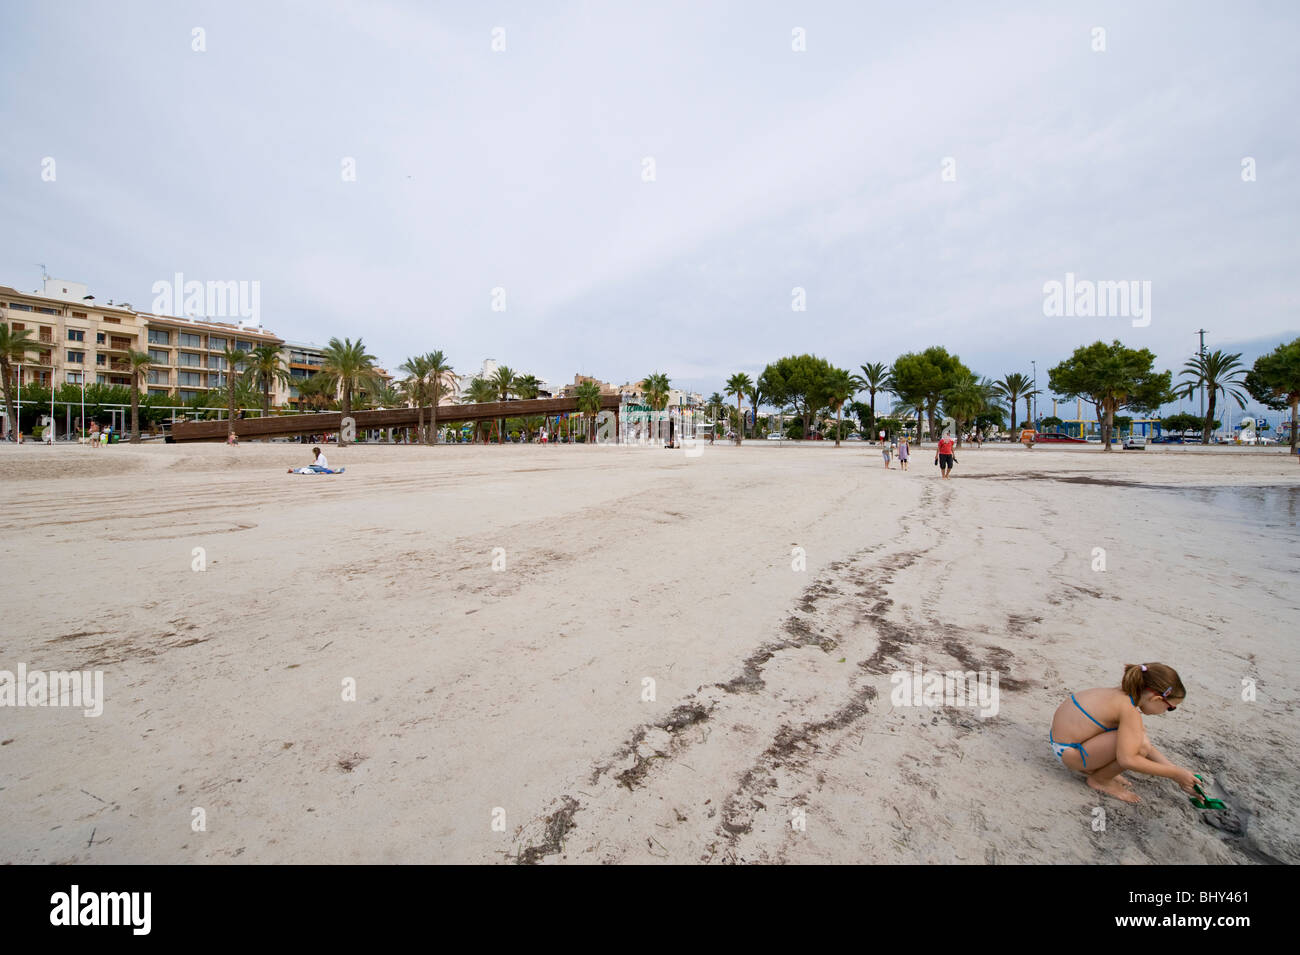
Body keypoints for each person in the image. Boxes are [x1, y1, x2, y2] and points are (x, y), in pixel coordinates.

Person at [1049, 663, 1197, 804]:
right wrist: (1175, 773)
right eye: (1170, 708)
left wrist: (1177, 772)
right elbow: (1128, 760)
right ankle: (1101, 780)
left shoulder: (1119, 694)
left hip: (1063, 745)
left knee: (1136, 737)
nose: (1166, 712)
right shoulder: (1129, 711)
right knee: (1140, 746)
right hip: (1071, 754)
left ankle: (1094, 768)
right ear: (1157, 698)